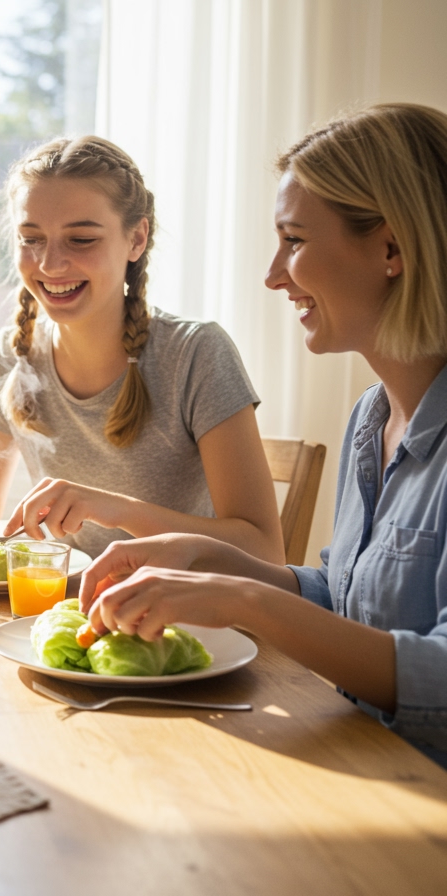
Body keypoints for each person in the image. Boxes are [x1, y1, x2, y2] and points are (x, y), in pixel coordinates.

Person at [78, 104, 447, 766]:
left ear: (392, 248)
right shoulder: (374, 417)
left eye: (295, 241)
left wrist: (240, 597)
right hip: (361, 761)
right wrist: (207, 558)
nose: (274, 274)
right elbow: (350, 602)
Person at [0, 136, 284, 563]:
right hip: (65, 613)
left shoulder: (196, 355)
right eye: (31, 239)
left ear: (137, 239)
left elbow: (263, 551)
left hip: (182, 617)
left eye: (81, 240)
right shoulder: (14, 354)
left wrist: (117, 510)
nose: (50, 264)